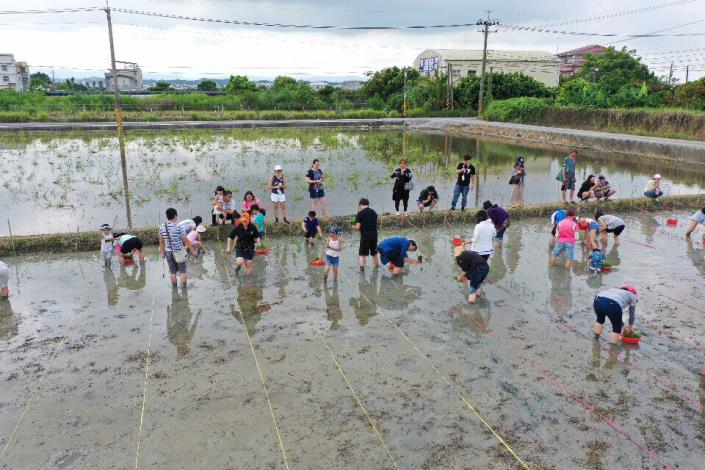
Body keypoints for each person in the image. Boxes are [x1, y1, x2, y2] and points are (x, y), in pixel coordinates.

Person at [159, 208, 191, 287]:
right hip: (179, 251)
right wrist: (193, 251)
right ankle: (184, 290)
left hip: (168, 252)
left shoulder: (162, 227)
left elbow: (162, 241)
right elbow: (186, 240)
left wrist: (163, 252)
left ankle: (174, 288)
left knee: (172, 272)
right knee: (182, 271)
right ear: (175, 216)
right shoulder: (178, 227)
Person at [354, 198, 379, 269]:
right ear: (367, 204)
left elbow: (358, 227)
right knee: (374, 253)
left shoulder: (360, 213)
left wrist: (353, 226)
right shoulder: (374, 212)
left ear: (360, 205)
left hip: (365, 236)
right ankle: (376, 268)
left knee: (362, 254)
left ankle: (362, 271)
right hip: (374, 235)